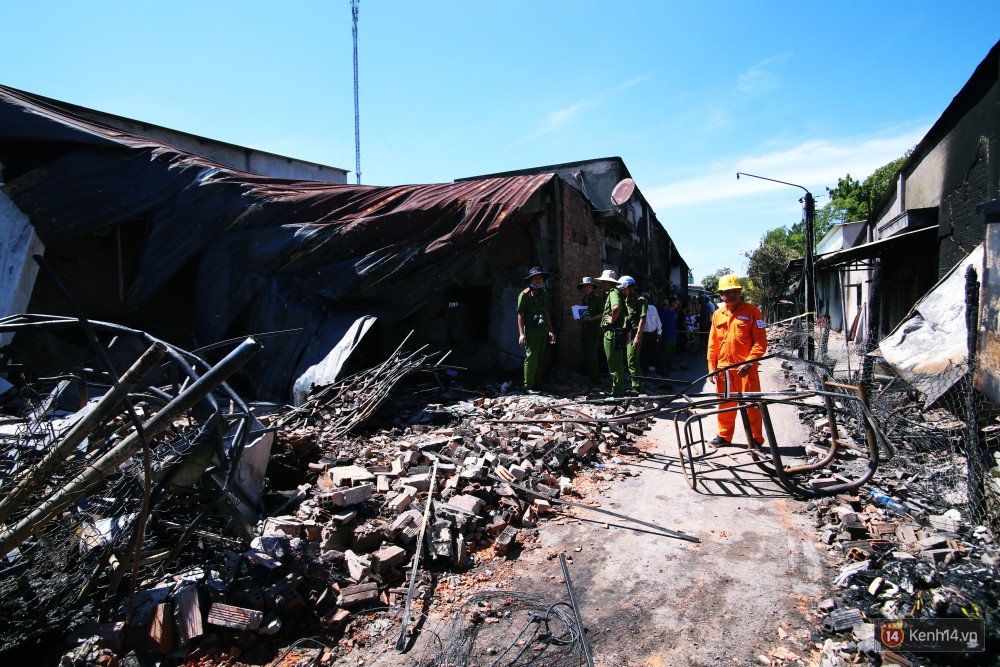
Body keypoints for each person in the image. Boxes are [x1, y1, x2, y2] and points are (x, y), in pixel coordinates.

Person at [706, 274, 768, 447]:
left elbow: (760, 342)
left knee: (751, 404)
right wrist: (712, 367)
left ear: (740, 292)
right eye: (728, 292)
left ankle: (755, 439)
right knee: (725, 403)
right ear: (721, 295)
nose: (732, 295)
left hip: (745, 370)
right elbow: (713, 343)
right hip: (724, 370)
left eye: (735, 291)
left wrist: (750, 362)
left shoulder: (753, 312)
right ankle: (724, 436)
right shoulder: (717, 315)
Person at [517, 266, 556, 392]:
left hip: (542, 329)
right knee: (532, 358)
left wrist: (551, 331)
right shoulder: (524, 295)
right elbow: (520, 315)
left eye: (540, 278)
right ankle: (528, 385)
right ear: (531, 280)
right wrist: (521, 334)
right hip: (530, 329)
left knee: (540, 357)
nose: (538, 280)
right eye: (535, 278)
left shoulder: (543, 294)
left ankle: (537, 383)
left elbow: (546, 314)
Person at [595, 269, 627, 398]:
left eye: (605, 282)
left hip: (611, 333)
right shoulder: (613, 293)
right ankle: (618, 391)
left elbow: (616, 307)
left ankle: (617, 393)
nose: (603, 284)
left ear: (610, 283)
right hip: (613, 332)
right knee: (616, 364)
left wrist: (612, 319)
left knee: (614, 365)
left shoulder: (613, 293)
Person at [577, 276, 604, 387]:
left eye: (588, 285)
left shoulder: (597, 299)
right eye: (585, 286)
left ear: (592, 287)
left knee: (592, 354)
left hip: (594, 330)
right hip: (586, 329)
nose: (586, 288)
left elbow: (604, 314)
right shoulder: (585, 299)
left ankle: (596, 379)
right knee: (587, 354)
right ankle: (590, 377)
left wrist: (591, 319)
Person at [620, 276, 644, 393]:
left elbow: (642, 319)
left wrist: (637, 337)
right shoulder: (625, 300)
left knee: (632, 360)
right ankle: (635, 383)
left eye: (624, 289)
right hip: (626, 332)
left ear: (630, 287)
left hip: (635, 332)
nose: (623, 292)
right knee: (630, 359)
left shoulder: (641, 300)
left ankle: (637, 386)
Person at [640, 291, 661, 374]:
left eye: (646, 299)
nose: (645, 300)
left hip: (653, 334)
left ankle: (660, 371)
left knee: (656, 353)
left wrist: (659, 332)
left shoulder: (652, 308)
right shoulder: (639, 310)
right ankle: (645, 372)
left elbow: (657, 320)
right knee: (644, 354)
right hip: (644, 335)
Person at [660, 296, 679, 372]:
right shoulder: (666, 311)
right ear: (672, 303)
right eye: (675, 302)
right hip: (667, 334)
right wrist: (660, 332)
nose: (677, 303)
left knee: (671, 352)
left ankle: (669, 366)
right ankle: (663, 369)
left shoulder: (674, 311)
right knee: (665, 352)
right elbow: (661, 322)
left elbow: (678, 305)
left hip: (673, 334)